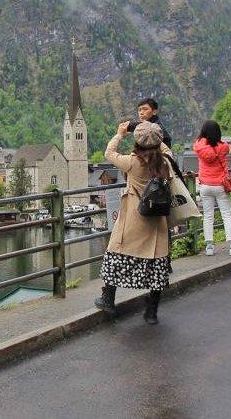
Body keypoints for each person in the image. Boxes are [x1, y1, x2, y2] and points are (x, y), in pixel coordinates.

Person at [95, 120, 172, 325]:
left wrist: (120, 133)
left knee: (115, 255)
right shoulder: (165, 161)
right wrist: (154, 134)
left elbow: (109, 153)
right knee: (156, 264)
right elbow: (164, 148)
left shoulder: (132, 162)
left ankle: (108, 300)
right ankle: (152, 312)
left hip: (133, 219)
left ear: (137, 142)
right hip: (157, 221)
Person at [193, 120, 231, 256]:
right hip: (220, 185)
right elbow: (226, 147)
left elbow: (198, 143)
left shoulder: (198, 146)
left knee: (208, 216)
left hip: (205, 186)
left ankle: (209, 247)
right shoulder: (223, 147)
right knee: (227, 215)